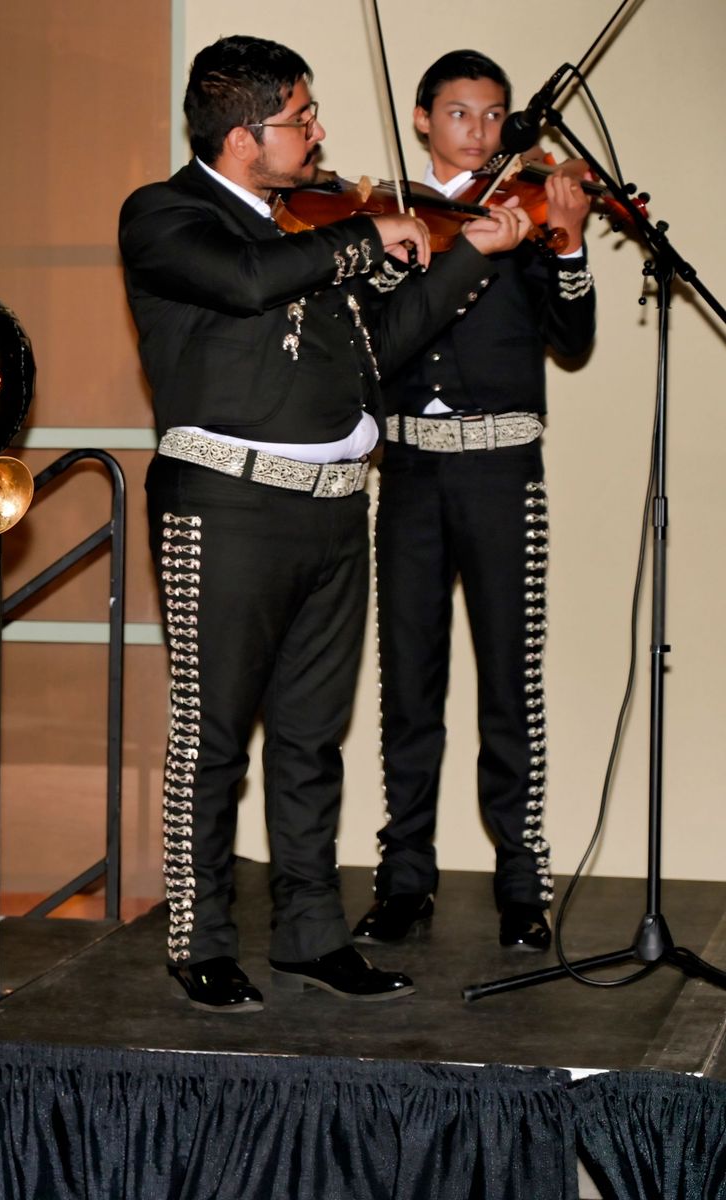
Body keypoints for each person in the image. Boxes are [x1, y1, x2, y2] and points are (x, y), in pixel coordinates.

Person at [119, 35, 533, 1014]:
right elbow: (247, 281)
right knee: (213, 736)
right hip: (226, 506)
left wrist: (466, 256)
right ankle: (200, 939)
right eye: (301, 117)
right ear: (243, 133)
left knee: (312, 739)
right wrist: (367, 235)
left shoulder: (308, 227)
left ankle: (310, 934)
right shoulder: (167, 215)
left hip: (336, 509)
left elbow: (382, 344)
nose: (316, 133)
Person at [354, 50, 596, 953]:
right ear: (423, 118)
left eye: (495, 116)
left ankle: (523, 887)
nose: (481, 132)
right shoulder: (383, 219)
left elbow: (574, 339)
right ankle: (403, 880)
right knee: (408, 686)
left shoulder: (526, 213)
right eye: (461, 114)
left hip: (503, 473)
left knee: (510, 682)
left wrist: (566, 243)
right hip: (409, 476)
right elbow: (373, 343)